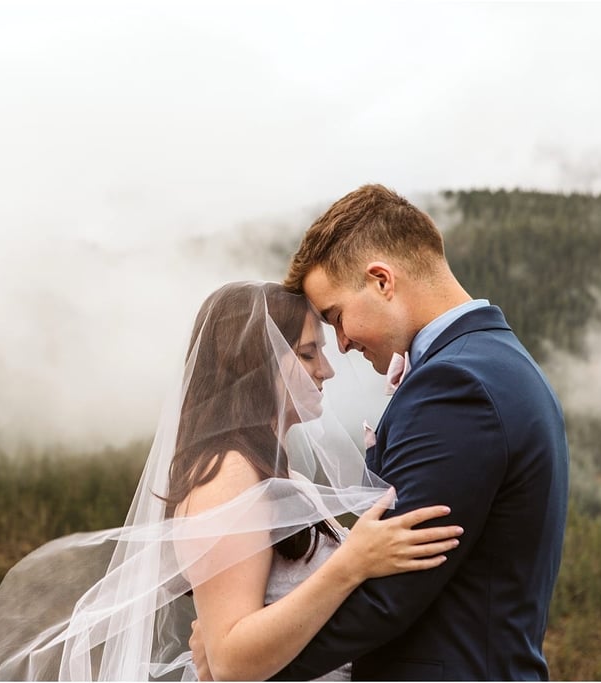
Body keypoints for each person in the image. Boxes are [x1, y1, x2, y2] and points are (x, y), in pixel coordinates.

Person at [0, 281, 462, 681]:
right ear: (256, 366)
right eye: (308, 354)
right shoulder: (226, 475)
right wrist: (349, 564)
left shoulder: (270, 468)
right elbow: (230, 662)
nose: (327, 369)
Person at [195, 185, 569, 680]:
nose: (342, 345)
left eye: (336, 318)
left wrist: (238, 667)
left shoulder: (456, 383)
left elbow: (394, 592)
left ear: (381, 281)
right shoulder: (496, 360)